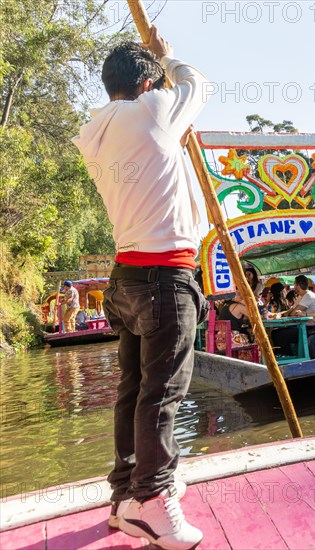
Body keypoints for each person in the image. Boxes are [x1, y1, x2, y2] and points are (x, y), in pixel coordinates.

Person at [73, 27, 209, 549]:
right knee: (163, 393)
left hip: (127, 277)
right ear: (149, 83)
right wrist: (169, 58)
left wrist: (161, 83)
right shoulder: (153, 111)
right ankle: (152, 500)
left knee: (133, 391)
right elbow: (198, 83)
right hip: (164, 277)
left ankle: (125, 497)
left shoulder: (96, 130)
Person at [271, 275, 315, 356]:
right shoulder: (301, 296)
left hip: (310, 329)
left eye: (295, 284)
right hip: (301, 326)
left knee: (280, 335)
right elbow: (291, 310)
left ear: (298, 285)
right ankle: (285, 355)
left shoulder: (309, 296)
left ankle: (288, 356)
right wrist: (280, 314)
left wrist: (287, 313)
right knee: (275, 333)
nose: (294, 287)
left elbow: (294, 312)